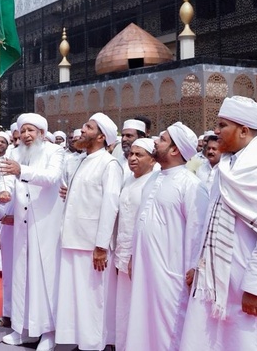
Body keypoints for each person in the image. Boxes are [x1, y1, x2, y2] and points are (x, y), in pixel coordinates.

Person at [179, 96, 257, 351]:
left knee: (249, 342)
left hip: (249, 280)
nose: (216, 132)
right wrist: (199, 264)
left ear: (243, 131)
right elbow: (210, 222)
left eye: (222, 125)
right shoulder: (226, 166)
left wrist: (254, 288)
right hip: (217, 276)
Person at [126, 122, 209, 351]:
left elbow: (197, 232)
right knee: (142, 320)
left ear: (174, 150)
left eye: (162, 139)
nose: (156, 142)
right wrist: (133, 256)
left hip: (172, 273)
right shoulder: (153, 178)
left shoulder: (191, 185)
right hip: (145, 267)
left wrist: (193, 269)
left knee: (168, 326)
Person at [0, 113, 66, 350]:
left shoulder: (54, 152)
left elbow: (51, 177)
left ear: (41, 133)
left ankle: (48, 331)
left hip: (45, 225)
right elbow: (3, 177)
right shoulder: (13, 153)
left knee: (44, 276)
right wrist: (3, 192)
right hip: (21, 225)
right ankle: (24, 328)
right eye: (23, 130)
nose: (26, 135)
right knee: (21, 276)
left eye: (31, 130)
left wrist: (21, 171)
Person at [55, 113, 123, 351]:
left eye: (88, 127)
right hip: (73, 240)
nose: (82, 130)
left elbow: (110, 205)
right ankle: (81, 342)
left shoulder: (109, 164)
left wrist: (102, 246)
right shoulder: (83, 160)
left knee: (94, 302)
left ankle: (95, 345)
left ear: (101, 136)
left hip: (92, 245)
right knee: (76, 299)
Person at [112, 137, 157, 351]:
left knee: (141, 308)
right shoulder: (127, 180)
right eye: (131, 154)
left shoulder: (155, 182)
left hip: (141, 255)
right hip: (122, 252)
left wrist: (135, 254)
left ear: (153, 159)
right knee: (123, 306)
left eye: (140, 155)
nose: (133, 158)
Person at [0, 131, 15, 328]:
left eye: (3, 141)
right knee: (8, 273)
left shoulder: (14, 162)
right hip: (5, 224)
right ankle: (8, 314)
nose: (0, 144)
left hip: (29, 227)